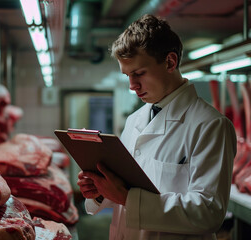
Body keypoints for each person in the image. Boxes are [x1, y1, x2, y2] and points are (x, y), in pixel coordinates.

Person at [77, 14, 237, 240]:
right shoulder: (134, 120)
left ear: (170, 62)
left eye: (139, 73)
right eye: (127, 76)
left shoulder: (210, 125)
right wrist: (101, 191)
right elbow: (123, 187)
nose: (132, 86)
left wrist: (127, 198)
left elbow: (208, 212)